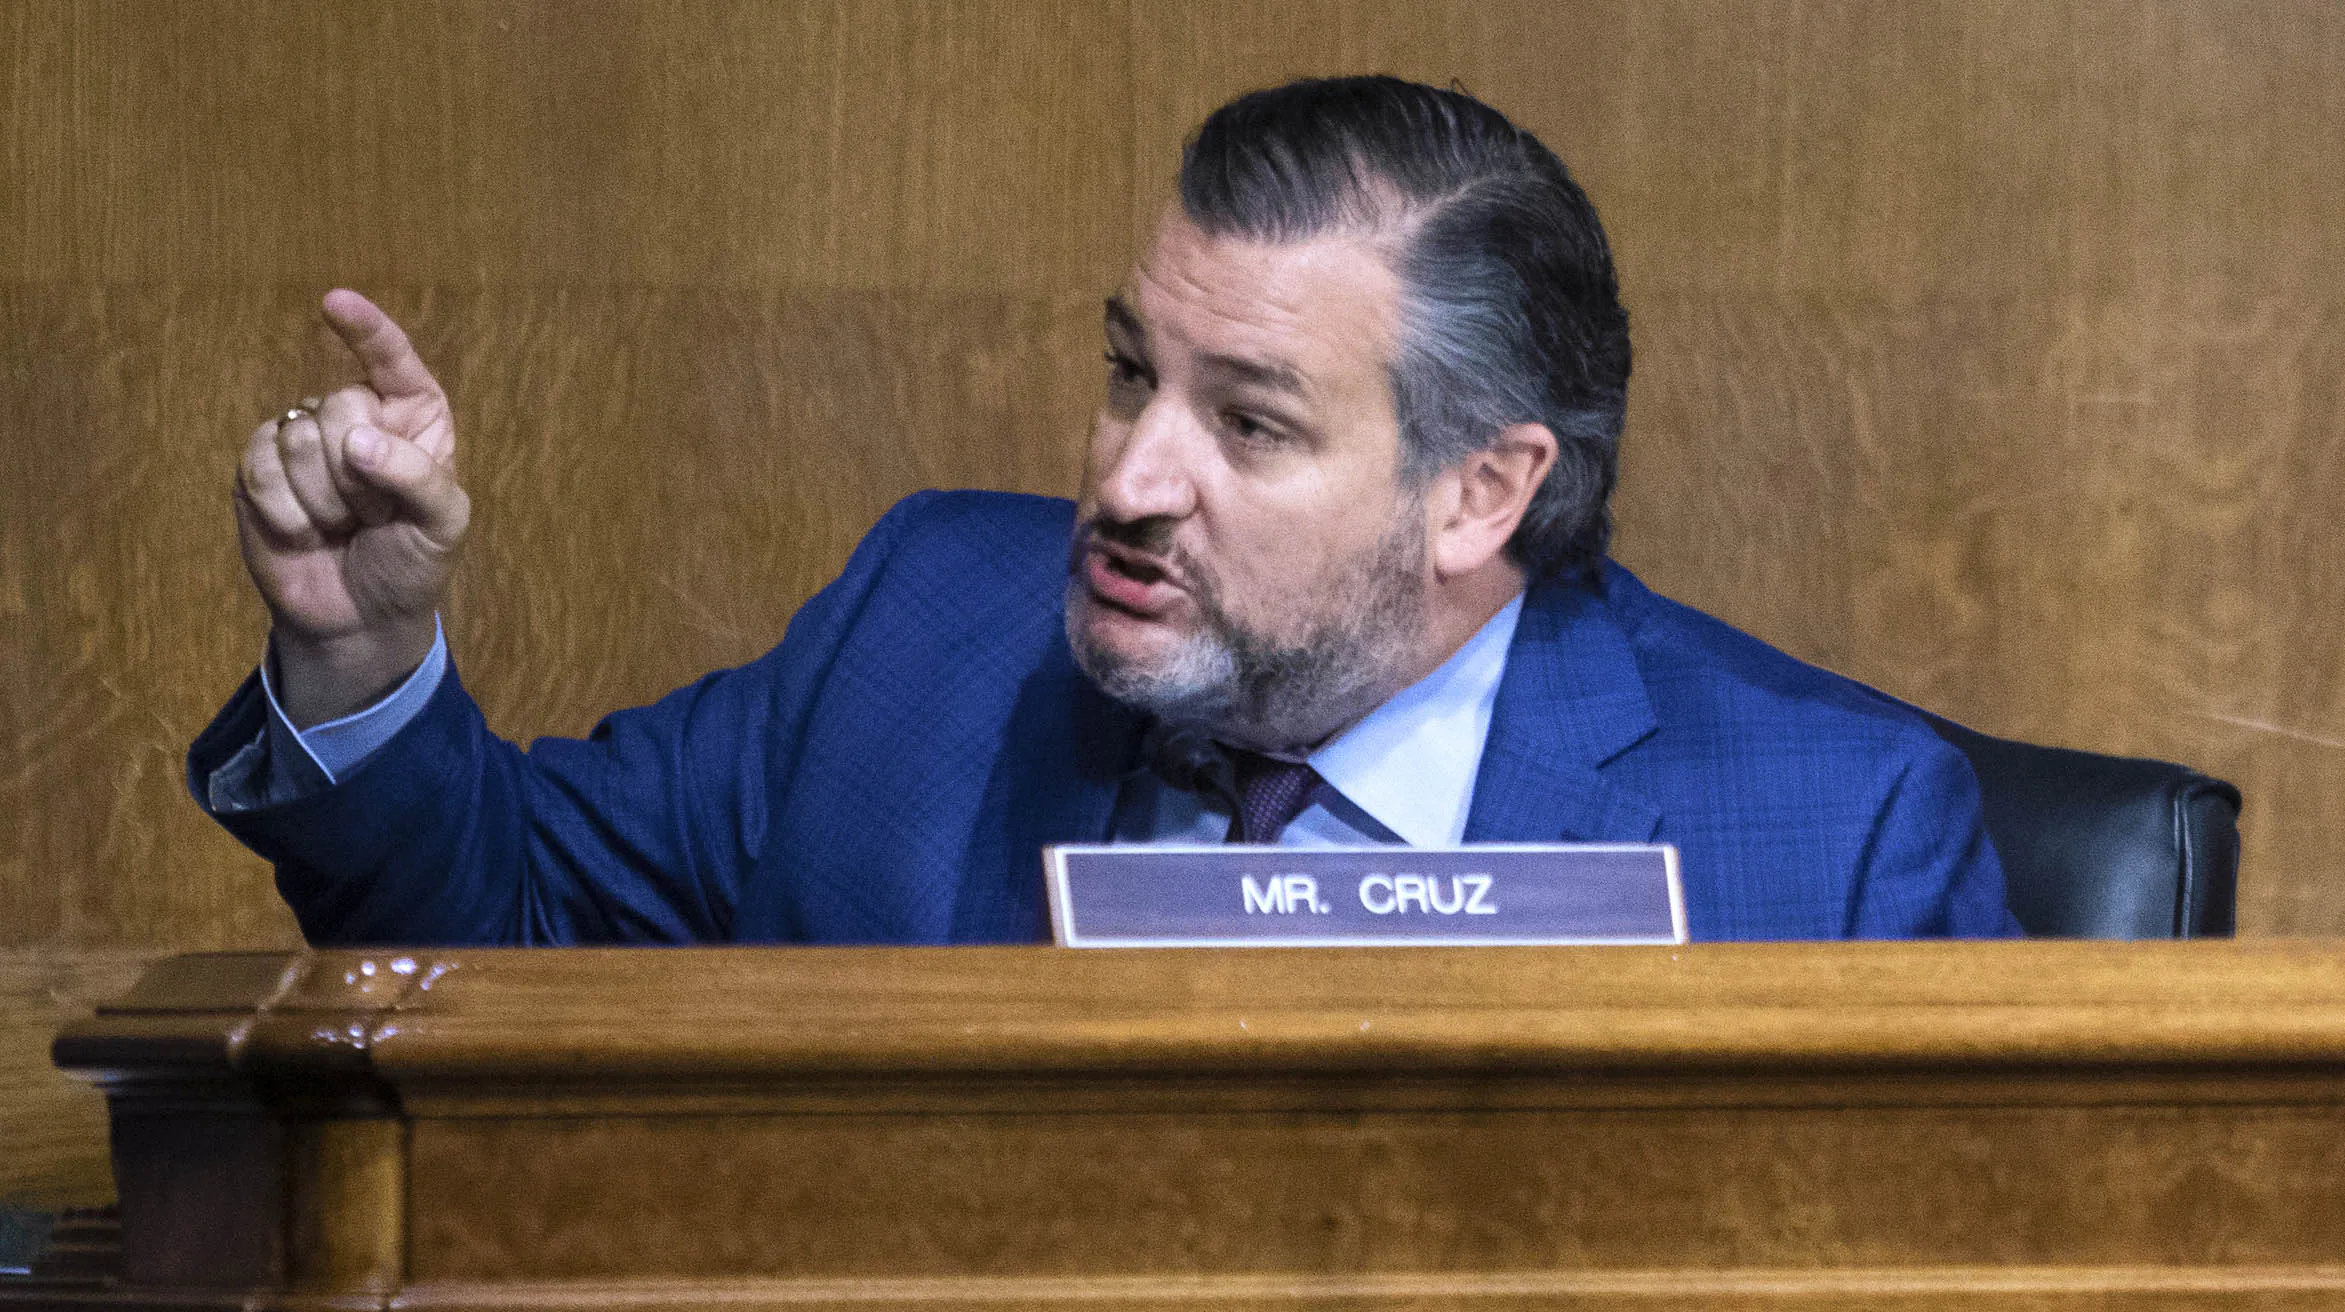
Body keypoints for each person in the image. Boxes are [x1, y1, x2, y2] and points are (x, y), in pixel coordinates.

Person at [190, 76, 2020, 943]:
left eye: (1253, 424)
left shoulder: (1834, 845)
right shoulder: (925, 633)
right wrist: (364, 657)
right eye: (1136, 373)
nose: (1133, 480)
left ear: (1481, 491)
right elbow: (495, 935)